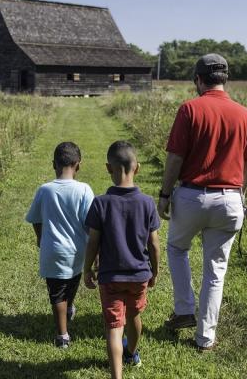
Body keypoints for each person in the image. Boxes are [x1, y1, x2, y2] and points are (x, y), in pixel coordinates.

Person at [157, 53, 247, 351]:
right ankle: (205, 338)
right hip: (229, 199)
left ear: (198, 80)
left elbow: (175, 158)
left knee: (177, 248)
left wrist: (164, 195)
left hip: (191, 195)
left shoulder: (190, 109)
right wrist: (240, 192)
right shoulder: (244, 114)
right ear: (225, 79)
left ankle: (185, 308)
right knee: (215, 269)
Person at [83, 140, 160, 378]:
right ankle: (132, 353)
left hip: (110, 276)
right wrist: (155, 272)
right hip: (139, 275)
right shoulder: (147, 203)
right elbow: (154, 244)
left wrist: (87, 268)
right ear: (137, 168)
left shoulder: (100, 203)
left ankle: (117, 375)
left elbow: (93, 242)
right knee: (134, 317)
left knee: (114, 327)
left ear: (108, 168)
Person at [25, 141, 95, 349]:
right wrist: (96, 249)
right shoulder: (84, 190)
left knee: (56, 292)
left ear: (53, 164)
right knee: (72, 282)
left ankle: (62, 335)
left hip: (52, 250)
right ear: (78, 165)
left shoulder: (45, 190)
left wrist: (40, 237)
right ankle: (66, 319)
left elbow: (36, 219)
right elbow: (92, 224)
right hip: (77, 252)